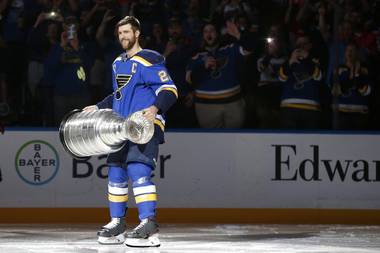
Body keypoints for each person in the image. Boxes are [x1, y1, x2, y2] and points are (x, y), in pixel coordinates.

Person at [84, 16, 177, 247]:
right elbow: (118, 96)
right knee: (116, 172)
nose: (123, 36)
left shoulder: (149, 59)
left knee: (138, 170)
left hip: (145, 126)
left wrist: (155, 108)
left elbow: (170, 89)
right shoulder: (118, 62)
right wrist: (97, 106)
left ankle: (149, 225)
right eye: (120, 33)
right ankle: (117, 223)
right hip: (121, 128)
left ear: (137, 33)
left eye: (127, 32)